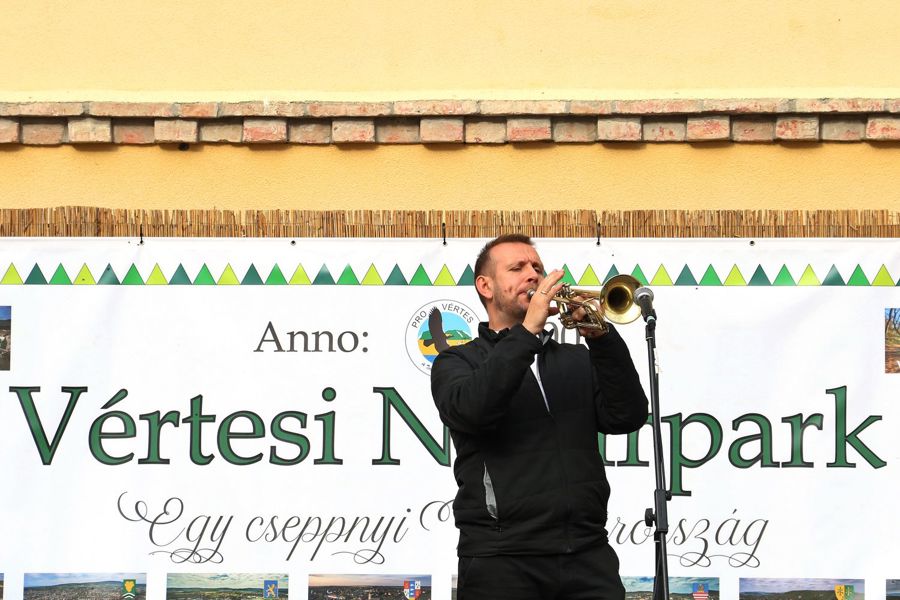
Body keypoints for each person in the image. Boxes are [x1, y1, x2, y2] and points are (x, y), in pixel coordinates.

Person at [431, 234, 649, 600]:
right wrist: (527, 332)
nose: (533, 274)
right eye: (517, 268)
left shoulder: (577, 358)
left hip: (587, 554)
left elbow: (627, 416)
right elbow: (473, 411)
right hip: (501, 559)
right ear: (485, 286)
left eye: (537, 267)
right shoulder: (458, 362)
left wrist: (603, 339)